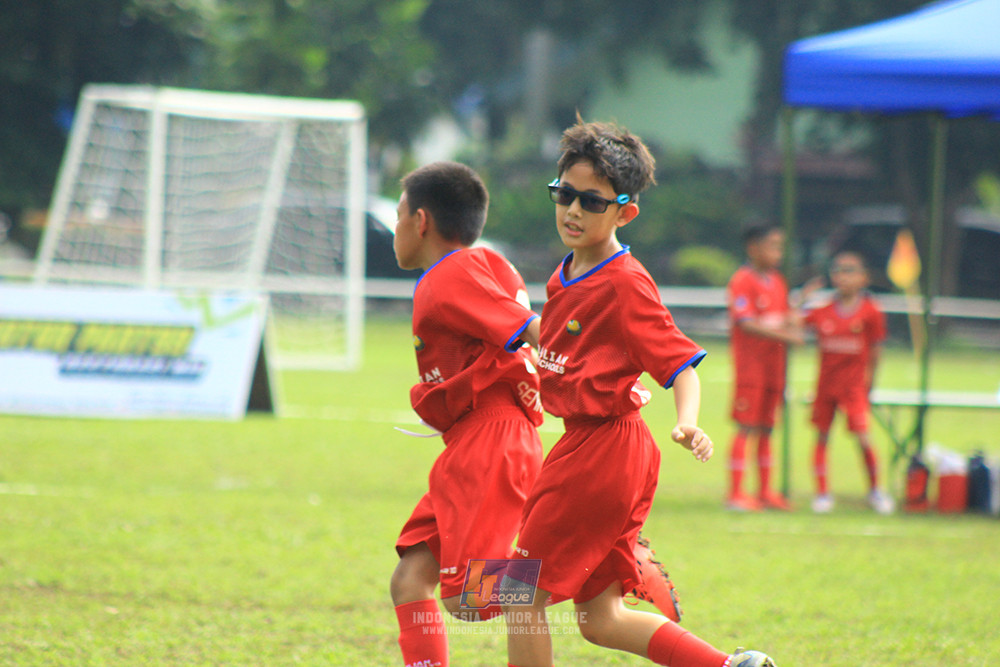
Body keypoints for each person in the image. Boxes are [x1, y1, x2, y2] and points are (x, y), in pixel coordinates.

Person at [503, 119, 776, 667]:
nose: (573, 210)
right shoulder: (566, 271)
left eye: (591, 202)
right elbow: (561, 344)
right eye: (564, 194)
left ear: (625, 212)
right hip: (593, 448)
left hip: (603, 451)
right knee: (600, 618)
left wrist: (688, 422)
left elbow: (681, 365)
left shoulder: (626, 283)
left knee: (515, 591)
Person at [388, 161, 546, 667]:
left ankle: (576, 567)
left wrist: (584, 364)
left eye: (398, 215)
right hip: (476, 440)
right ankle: (562, 566)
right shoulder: (483, 265)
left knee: (469, 599)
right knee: (411, 578)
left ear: (421, 221)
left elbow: (531, 328)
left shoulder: (452, 273)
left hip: (490, 438)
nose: (395, 228)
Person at [802, 250, 893, 514]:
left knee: (863, 437)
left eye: (850, 270)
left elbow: (876, 349)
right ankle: (822, 494)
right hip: (826, 385)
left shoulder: (871, 311)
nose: (842, 276)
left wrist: (870, 383)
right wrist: (802, 299)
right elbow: (793, 322)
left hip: (854, 387)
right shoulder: (823, 310)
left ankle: (876, 490)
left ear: (864, 277)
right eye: (838, 270)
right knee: (821, 436)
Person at [725, 223, 803, 512]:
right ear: (753, 248)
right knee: (746, 426)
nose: (778, 252)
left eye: (781, 247)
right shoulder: (742, 280)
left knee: (768, 427)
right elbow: (746, 322)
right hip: (751, 368)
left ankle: (765, 492)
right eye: (772, 246)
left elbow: (781, 317)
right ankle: (735, 494)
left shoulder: (778, 281)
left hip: (775, 367)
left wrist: (793, 319)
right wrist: (787, 335)